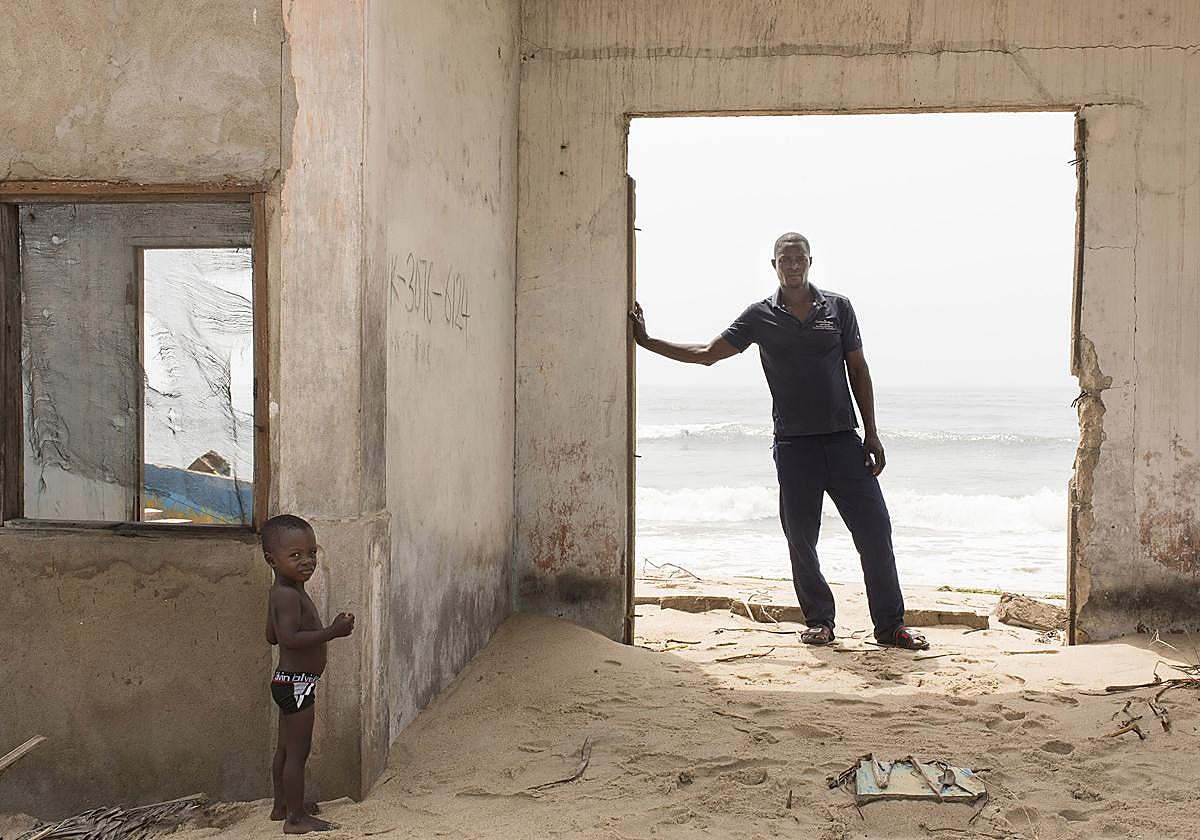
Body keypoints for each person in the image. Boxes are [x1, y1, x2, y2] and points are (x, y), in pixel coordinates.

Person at [629, 232, 928, 650]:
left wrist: (872, 432)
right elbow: (708, 352)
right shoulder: (759, 316)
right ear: (774, 265)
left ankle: (891, 626)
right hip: (794, 446)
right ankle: (820, 621)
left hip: (844, 440)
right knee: (801, 540)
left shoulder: (838, 308)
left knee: (876, 532)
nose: (792, 265)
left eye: (799, 258)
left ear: (811, 261)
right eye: (784, 259)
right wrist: (647, 341)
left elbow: (859, 371)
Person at [263, 514, 356, 833]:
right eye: (296, 555)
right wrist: (332, 631)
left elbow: (271, 636)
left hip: (285, 681)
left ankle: (282, 806)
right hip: (298, 684)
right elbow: (287, 639)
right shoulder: (289, 595)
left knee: (285, 749)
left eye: (312, 553)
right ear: (271, 560)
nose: (307, 561)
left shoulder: (282, 591)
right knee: (297, 752)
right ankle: (296, 819)